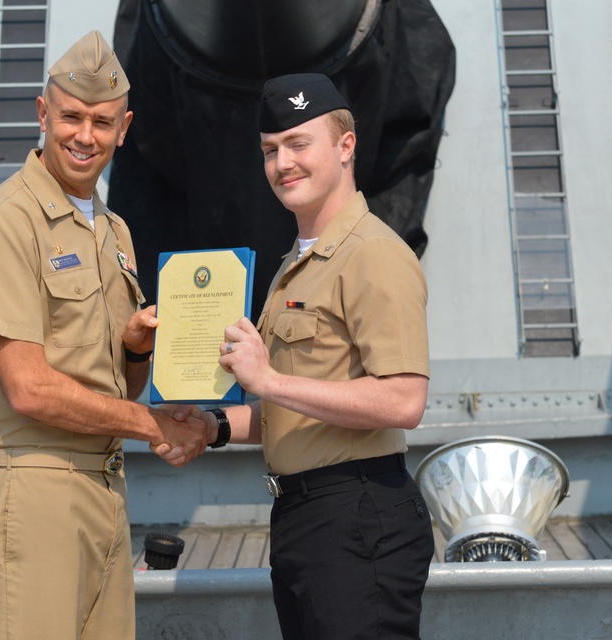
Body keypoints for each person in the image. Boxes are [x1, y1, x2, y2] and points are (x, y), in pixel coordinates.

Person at [0, 31, 209, 640]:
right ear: (43, 113)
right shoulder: (4, 224)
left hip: (106, 490)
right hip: (32, 488)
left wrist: (136, 348)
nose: (84, 136)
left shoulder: (114, 233)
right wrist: (154, 429)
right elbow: (29, 389)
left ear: (125, 127)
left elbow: (124, 383)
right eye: (70, 117)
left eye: (102, 121)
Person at [208, 73, 435, 639]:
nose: (282, 163)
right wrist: (209, 428)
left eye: (298, 143)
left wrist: (268, 380)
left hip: (357, 519)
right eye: (269, 150)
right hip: (305, 521)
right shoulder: (295, 264)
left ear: (345, 145)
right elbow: (296, 411)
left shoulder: (374, 253)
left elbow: (403, 399)